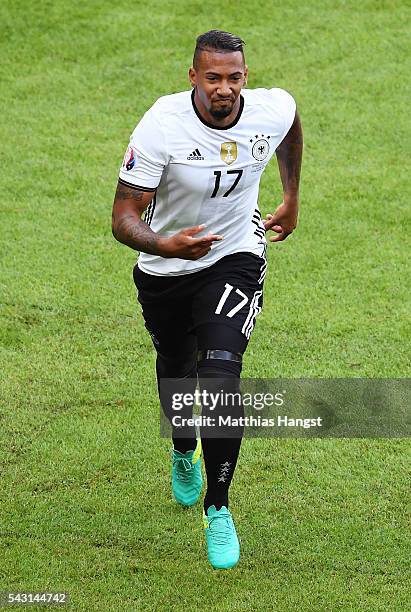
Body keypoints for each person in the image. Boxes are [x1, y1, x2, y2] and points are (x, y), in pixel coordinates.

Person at [112, 29, 303, 570]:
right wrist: (164, 242)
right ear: (193, 76)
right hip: (166, 267)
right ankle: (181, 447)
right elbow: (122, 219)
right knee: (176, 366)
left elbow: (289, 126)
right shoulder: (162, 127)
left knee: (221, 373)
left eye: (234, 78)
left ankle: (218, 508)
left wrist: (289, 197)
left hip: (236, 254)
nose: (224, 89)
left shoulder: (270, 108)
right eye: (213, 77)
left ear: (245, 76)